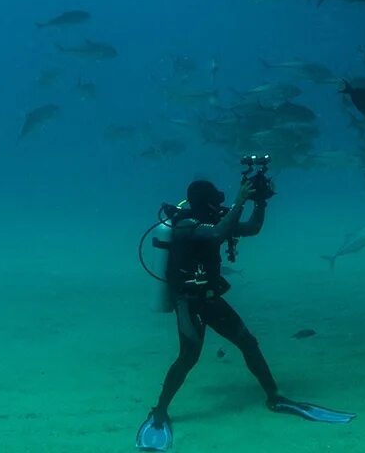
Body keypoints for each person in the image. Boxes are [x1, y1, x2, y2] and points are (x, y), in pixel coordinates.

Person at [136, 175, 352, 450]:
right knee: (188, 357)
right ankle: (159, 410)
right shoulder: (184, 226)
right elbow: (216, 234)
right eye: (215, 202)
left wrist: (260, 203)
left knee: (248, 343)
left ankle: (274, 396)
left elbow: (252, 228)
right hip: (189, 302)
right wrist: (239, 202)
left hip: (211, 300)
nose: (219, 207)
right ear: (204, 203)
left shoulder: (215, 220)